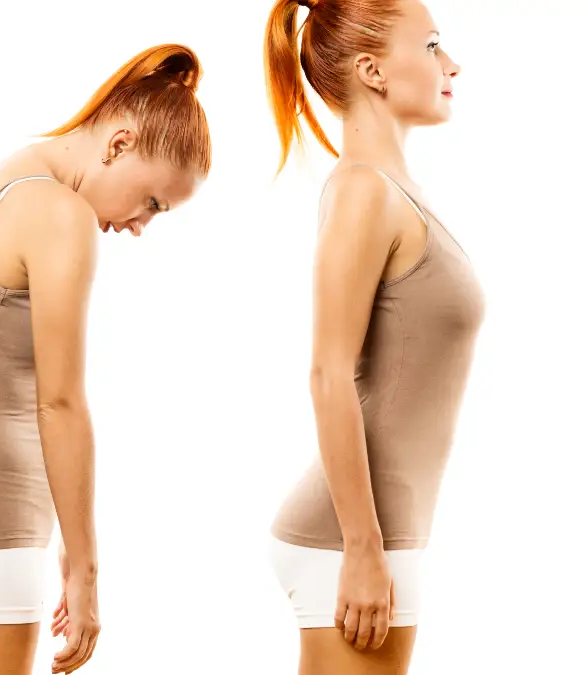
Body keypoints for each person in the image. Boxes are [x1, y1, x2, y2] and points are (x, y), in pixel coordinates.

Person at [0, 44, 211, 675]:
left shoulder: (8, 181)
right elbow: (59, 402)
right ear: (118, 145)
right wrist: (86, 569)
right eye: (151, 202)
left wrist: (63, 541)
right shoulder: (59, 213)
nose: (141, 225)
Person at [263, 1, 484, 673]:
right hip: (350, 543)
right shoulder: (363, 188)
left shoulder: (392, 189)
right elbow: (328, 373)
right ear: (373, 71)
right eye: (433, 45)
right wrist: (363, 548)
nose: (453, 64)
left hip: (380, 539)